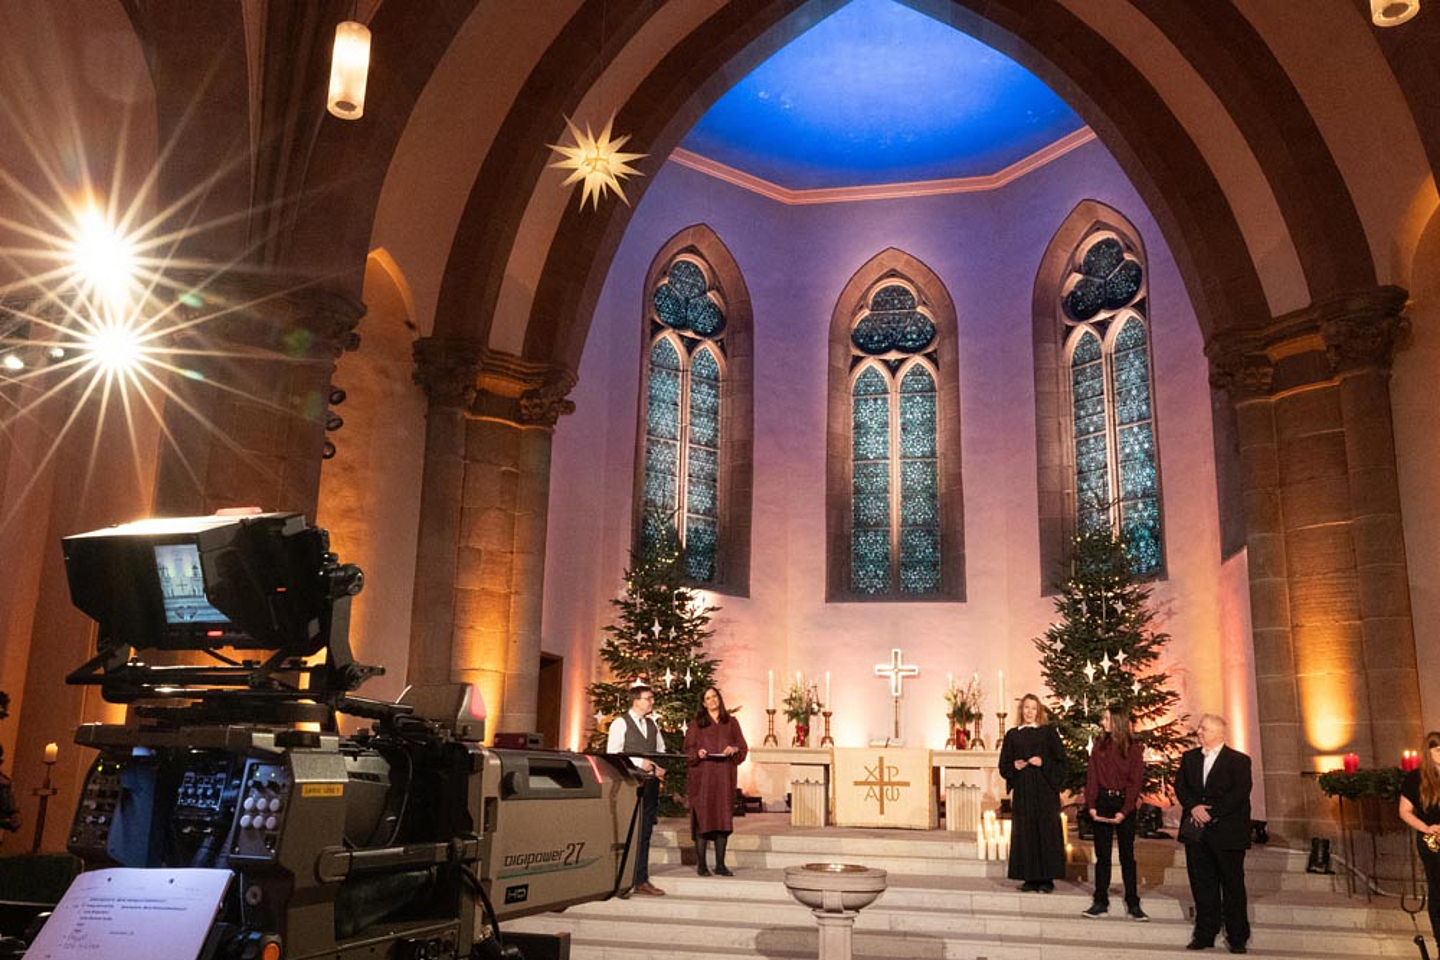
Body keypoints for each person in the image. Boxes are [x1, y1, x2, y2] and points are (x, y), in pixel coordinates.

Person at [1175, 713, 1252, 954]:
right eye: (1199, 728)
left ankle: (1237, 936)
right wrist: (1194, 807)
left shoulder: (1239, 760)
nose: (1199, 731)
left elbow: (1240, 792)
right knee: (1201, 884)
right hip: (1197, 832)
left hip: (1227, 832)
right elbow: (1181, 787)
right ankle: (1204, 933)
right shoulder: (1189, 759)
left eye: (1204, 728)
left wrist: (1213, 812)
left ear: (1219, 733)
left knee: (1232, 884)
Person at [1082, 703, 1148, 921]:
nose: (1103, 722)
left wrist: (1125, 810)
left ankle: (1133, 902)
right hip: (1102, 801)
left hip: (1123, 803)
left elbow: (1134, 782)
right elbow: (1092, 778)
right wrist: (1091, 805)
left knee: (1127, 856)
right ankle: (1100, 901)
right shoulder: (1099, 746)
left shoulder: (1134, 750)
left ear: (1118, 721)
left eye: (1107, 719)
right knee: (1103, 856)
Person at [999, 693, 1067, 892]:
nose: (1029, 712)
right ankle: (1029, 877)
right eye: (1026, 708)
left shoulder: (1048, 732)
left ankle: (1046, 878)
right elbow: (1003, 765)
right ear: (1021, 710)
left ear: (1039, 711)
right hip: (1023, 791)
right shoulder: (1012, 734)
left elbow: (1061, 761)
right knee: (1026, 832)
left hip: (1045, 790)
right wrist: (1014, 765)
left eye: (1033, 708)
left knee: (1045, 832)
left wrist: (1043, 762)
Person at [606, 683, 667, 896]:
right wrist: (639, 763)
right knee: (628, 831)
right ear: (636, 700)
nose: (651, 701)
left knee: (645, 831)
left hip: (649, 784)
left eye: (651, 698)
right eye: (648, 698)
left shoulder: (652, 725)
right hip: (629, 784)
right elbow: (613, 753)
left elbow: (660, 750)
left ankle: (641, 879)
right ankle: (621, 880)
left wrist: (659, 767)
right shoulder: (620, 723)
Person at [683, 685, 748, 876]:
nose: (712, 701)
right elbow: (687, 750)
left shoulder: (731, 723)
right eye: (708, 698)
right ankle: (701, 865)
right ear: (703, 703)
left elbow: (742, 747)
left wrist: (734, 749)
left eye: (715, 697)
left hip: (724, 776)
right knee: (703, 819)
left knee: (722, 819)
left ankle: (720, 864)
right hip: (703, 777)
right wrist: (698, 753)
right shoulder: (696, 724)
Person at [1398, 730, 1440, 954]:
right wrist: (1427, 828)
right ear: (1429, 751)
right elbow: (1404, 811)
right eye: (1438, 750)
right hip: (1432, 840)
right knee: (1438, 888)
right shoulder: (1416, 778)